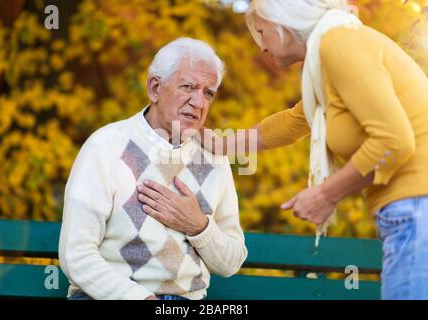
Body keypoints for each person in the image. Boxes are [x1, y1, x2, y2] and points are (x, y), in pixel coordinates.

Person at [199, 0, 428, 300]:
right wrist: (222, 144)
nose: (261, 47)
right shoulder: (332, 54)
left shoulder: (339, 45)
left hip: (416, 208)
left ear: (283, 23)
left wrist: (324, 194)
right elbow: (297, 120)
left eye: (262, 32)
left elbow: (394, 140)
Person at [58, 37, 247, 300]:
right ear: (155, 88)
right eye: (188, 87)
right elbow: (75, 255)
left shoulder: (215, 157)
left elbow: (231, 261)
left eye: (208, 93)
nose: (199, 102)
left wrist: (198, 226)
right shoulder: (105, 146)